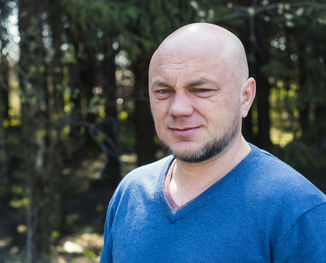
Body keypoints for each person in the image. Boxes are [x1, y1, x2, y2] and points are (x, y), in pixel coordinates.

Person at [100, 23, 326, 262]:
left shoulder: (299, 212)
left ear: (245, 96)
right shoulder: (130, 193)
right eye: (164, 91)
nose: (178, 109)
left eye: (201, 90)